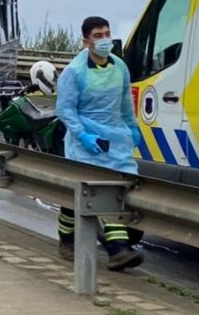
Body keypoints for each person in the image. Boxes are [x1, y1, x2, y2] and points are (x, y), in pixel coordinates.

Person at [54, 16, 144, 270]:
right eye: (98, 36)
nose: (104, 40)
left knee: (115, 191)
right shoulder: (75, 72)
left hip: (115, 138)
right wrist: (83, 135)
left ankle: (115, 248)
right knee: (92, 193)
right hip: (86, 141)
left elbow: (125, 103)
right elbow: (66, 109)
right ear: (86, 41)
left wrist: (132, 128)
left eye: (107, 34)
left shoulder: (119, 67)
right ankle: (114, 249)